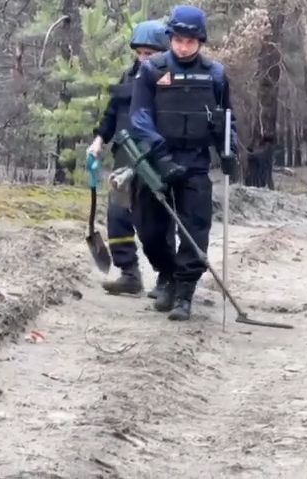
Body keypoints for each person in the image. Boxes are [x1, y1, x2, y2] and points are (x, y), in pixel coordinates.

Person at [129, 5, 238, 321]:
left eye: (191, 41)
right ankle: (166, 274)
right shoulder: (152, 70)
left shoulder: (215, 74)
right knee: (149, 228)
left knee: (194, 229)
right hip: (156, 161)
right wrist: (158, 154)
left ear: (200, 41)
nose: (184, 46)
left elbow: (227, 118)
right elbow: (139, 117)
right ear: (171, 38)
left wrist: (228, 151)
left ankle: (184, 292)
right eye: (178, 39)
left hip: (195, 162)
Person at [87, 20, 174, 298]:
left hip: (155, 160)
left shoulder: (171, 80)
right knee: (117, 214)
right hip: (125, 159)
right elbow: (112, 114)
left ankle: (167, 278)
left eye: (150, 53)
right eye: (140, 53)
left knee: (157, 222)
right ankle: (129, 273)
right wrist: (99, 141)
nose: (144, 58)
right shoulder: (127, 77)